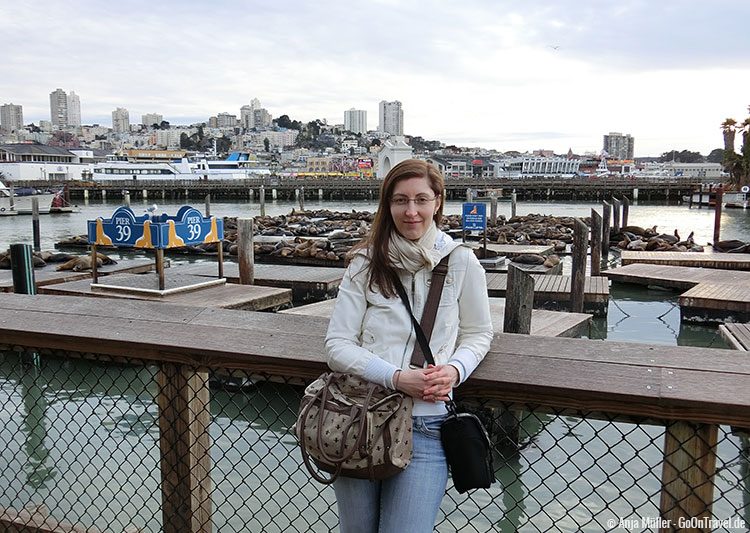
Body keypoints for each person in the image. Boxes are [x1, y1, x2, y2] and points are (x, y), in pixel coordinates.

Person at [325, 159, 494, 533]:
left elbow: (479, 333)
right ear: (387, 205)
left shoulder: (462, 261)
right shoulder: (366, 262)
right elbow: (337, 344)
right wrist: (397, 378)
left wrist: (455, 369)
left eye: (421, 199)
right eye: (400, 200)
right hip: (361, 417)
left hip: (428, 426)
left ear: (438, 201)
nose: (411, 211)